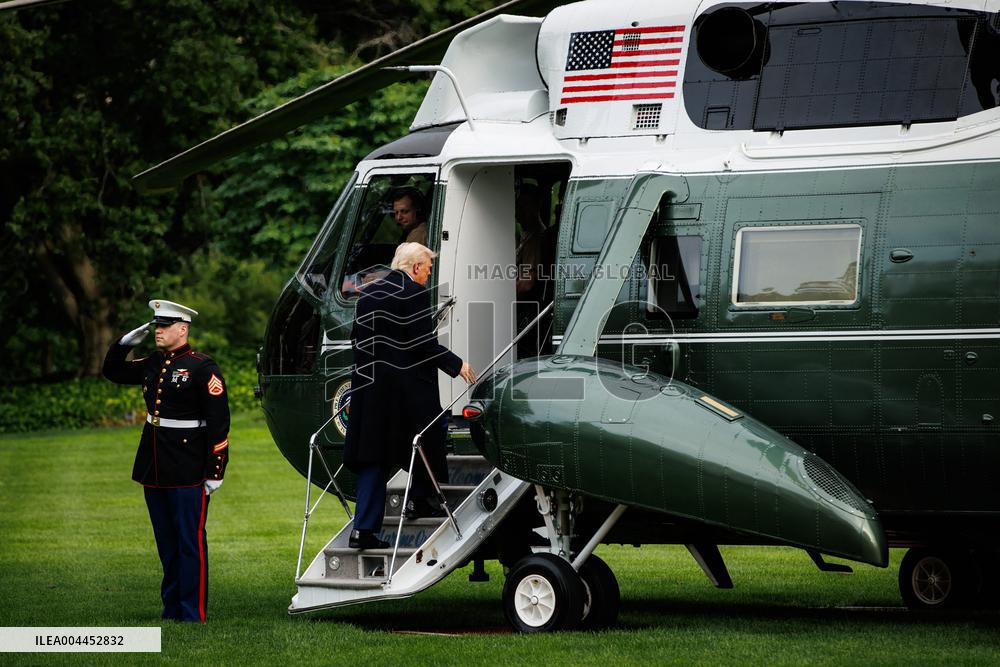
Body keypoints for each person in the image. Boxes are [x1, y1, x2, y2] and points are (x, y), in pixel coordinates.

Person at [102, 299, 230, 623]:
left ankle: (192, 612)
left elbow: (219, 422)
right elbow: (112, 371)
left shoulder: (202, 367)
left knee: (189, 542)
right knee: (166, 543)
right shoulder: (153, 363)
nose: (158, 331)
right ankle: (171, 608)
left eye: (164, 325)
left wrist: (216, 470)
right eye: (156, 325)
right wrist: (123, 344)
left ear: (182, 329)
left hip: (188, 466)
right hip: (155, 464)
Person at [343, 243, 475, 550]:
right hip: (402, 391)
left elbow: (356, 339)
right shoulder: (413, 293)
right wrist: (457, 365)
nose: (428, 274)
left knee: (374, 457)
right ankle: (420, 499)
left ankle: (362, 530)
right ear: (415, 267)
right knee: (431, 430)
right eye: (427, 268)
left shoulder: (368, 293)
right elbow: (422, 343)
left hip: (368, 389)